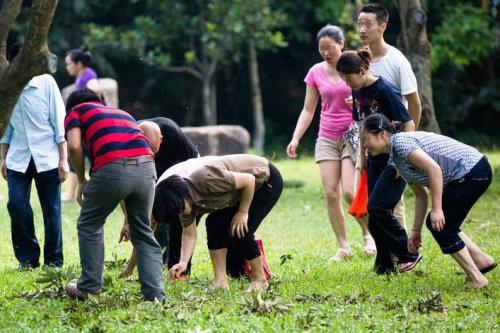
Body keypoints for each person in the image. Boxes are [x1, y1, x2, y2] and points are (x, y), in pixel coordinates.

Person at [361, 113, 496, 287]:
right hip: (471, 173)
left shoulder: (401, 143)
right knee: (443, 224)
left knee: (442, 226)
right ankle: (482, 260)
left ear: (381, 134)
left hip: (472, 172)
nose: (364, 147)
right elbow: (420, 193)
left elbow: (434, 170)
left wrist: (437, 209)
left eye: (366, 139)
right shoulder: (396, 160)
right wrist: (415, 231)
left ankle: (477, 279)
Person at [64, 89, 164, 301]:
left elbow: (73, 145)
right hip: (147, 166)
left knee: (90, 223)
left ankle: (90, 288)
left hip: (111, 168)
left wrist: (81, 180)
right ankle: (155, 296)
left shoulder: (76, 111)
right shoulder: (122, 113)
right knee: (143, 231)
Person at [286, 25, 375, 262]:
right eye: (321, 49)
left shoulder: (354, 65)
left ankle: (369, 234)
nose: (326, 53)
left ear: (342, 44)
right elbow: (308, 109)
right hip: (326, 137)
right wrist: (296, 138)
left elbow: (370, 99)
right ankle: (344, 247)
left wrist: (355, 104)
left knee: (348, 191)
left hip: (352, 135)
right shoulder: (315, 72)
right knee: (330, 193)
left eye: (330, 48)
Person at [336, 48, 421, 274]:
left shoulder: (383, 90)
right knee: (373, 212)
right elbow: (362, 127)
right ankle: (385, 264)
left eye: (348, 77)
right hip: (373, 159)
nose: (346, 82)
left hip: (393, 161)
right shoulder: (357, 91)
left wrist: (403, 159)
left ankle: (407, 252)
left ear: (362, 70)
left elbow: (408, 123)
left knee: (379, 207)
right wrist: (362, 159)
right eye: (343, 78)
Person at [154, 154, 283, 291]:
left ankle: (260, 280)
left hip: (264, 180)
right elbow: (189, 234)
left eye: (180, 209)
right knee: (214, 223)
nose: (181, 213)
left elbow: (248, 180)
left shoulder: (204, 179)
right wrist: (183, 262)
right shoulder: (183, 204)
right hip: (240, 191)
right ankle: (220, 281)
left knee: (240, 228)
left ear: (183, 196)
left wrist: (242, 213)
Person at [0, 42, 68, 270]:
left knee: (52, 210)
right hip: (18, 157)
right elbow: (7, 129)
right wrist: (3, 158)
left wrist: (63, 159)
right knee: (17, 205)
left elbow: (59, 124)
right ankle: (27, 258)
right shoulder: (8, 88)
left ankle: (54, 260)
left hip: (47, 156)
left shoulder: (47, 83)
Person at [357, 3, 423, 227]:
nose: (362, 29)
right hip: (370, 143)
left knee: (393, 201)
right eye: (359, 24)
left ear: (383, 26)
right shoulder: (361, 61)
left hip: (393, 143)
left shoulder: (397, 60)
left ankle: (402, 251)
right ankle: (385, 250)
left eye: (368, 24)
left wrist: (406, 146)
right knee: (373, 200)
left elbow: (414, 105)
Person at [118, 117, 199, 278]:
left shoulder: (171, 133)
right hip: (152, 180)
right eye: (148, 151)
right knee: (148, 222)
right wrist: (128, 220)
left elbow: (196, 161)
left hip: (179, 179)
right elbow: (124, 187)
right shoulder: (126, 142)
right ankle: (147, 266)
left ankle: (180, 272)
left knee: (178, 223)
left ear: (162, 139)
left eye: (154, 150)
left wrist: (192, 199)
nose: (152, 155)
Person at [62, 49, 101, 202]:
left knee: (82, 157)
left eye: (69, 64)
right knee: (76, 157)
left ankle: (74, 192)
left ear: (79, 64)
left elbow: (96, 87)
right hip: (85, 125)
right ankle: (72, 192)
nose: (67, 67)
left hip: (91, 126)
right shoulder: (80, 77)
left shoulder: (88, 75)